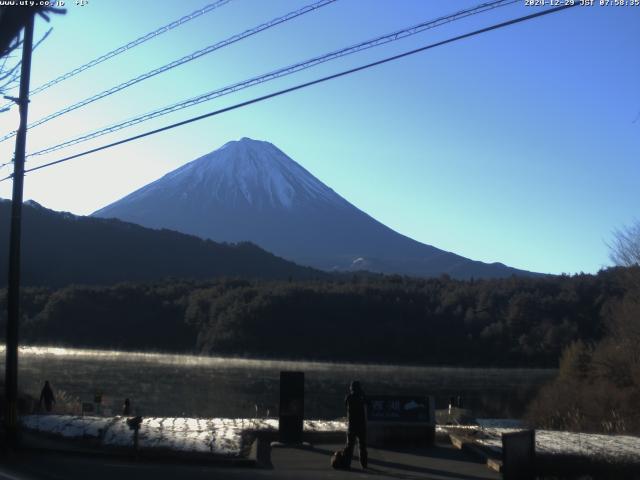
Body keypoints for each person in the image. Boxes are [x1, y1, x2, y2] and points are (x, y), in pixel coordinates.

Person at [344, 380, 368, 469]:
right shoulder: (361, 397)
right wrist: (363, 393)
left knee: (349, 446)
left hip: (352, 425)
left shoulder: (349, 397)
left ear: (351, 388)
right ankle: (364, 464)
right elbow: (367, 403)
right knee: (362, 446)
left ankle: (347, 463)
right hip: (361, 425)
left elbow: (345, 405)